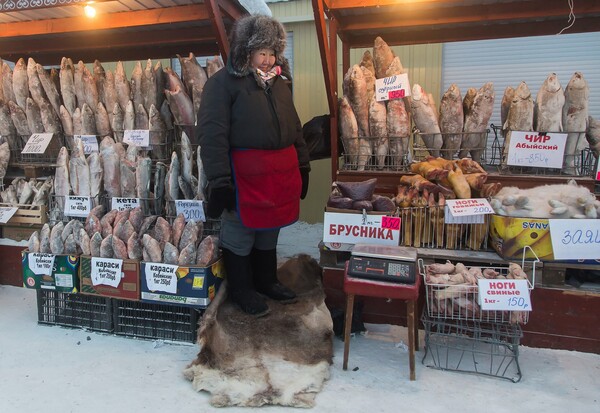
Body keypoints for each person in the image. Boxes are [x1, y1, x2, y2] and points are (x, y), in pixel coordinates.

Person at [196, 14, 311, 317]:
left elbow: (295, 127)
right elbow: (212, 134)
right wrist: (220, 180)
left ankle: (266, 280)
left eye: (273, 52)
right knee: (240, 232)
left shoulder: (280, 83)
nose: (268, 58)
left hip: (279, 174)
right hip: (244, 177)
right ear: (245, 51)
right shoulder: (222, 84)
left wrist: (303, 164)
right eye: (262, 51)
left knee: (269, 230)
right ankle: (242, 288)